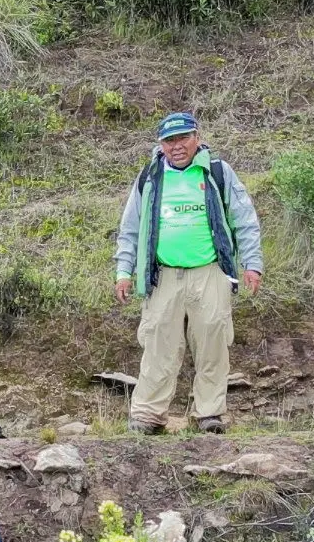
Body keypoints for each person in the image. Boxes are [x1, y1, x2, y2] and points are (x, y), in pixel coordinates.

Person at [112, 112, 263, 435]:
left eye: (183, 138)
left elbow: (244, 218)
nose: (177, 146)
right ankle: (148, 415)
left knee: (213, 342)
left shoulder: (217, 173)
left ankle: (209, 414)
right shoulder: (150, 177)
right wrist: (124, 271)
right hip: (163, 275)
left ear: (197, 137)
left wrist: (252, 263)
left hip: (209, 271)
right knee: (158, 345)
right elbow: (130, 228)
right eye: (169, 140)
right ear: (160, 145)